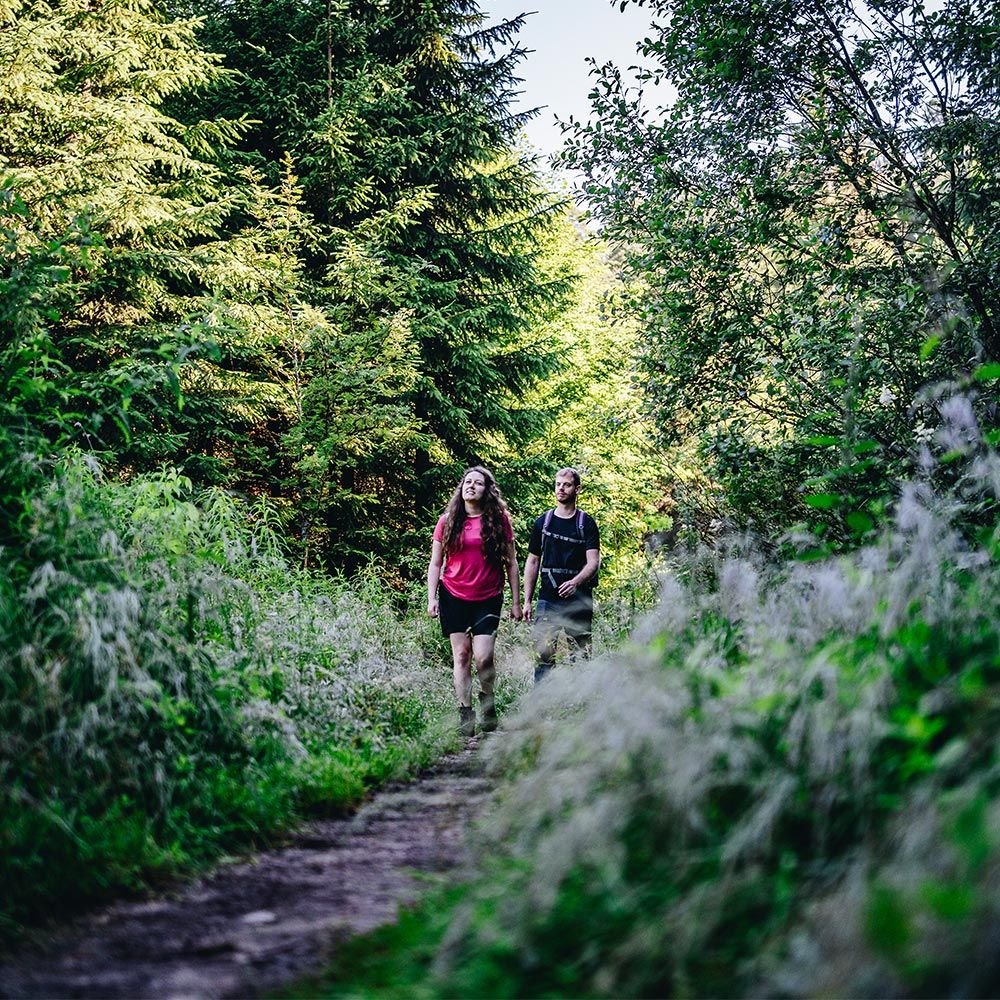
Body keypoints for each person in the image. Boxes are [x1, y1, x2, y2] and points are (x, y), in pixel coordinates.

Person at [427, 466, 522, 738]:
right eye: (467, 482)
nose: (471, 486)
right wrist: (431, 597)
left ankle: (488, 702)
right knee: (461, 655)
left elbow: (512, 563)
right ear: (461, 488)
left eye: (478, 483)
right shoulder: (447, 521)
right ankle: (465, 714)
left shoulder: (498, 520)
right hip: (453, 595)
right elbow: (436, 564)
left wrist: (516, 603)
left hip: (488, 596)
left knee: (483, 657)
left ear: (486, 490)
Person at [523, 468, 601, 683]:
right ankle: (542, 706)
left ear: (577, 489)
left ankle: (581, 705)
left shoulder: (586, 523)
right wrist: (527, 601)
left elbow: (593, 562)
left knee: (581, 655)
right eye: (558, 484)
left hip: (579, 600)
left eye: (566, 485)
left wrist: (575, 582)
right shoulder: (543, 522)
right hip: (548, 599)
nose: (561, 488)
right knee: (543, 657)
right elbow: (532, 561)